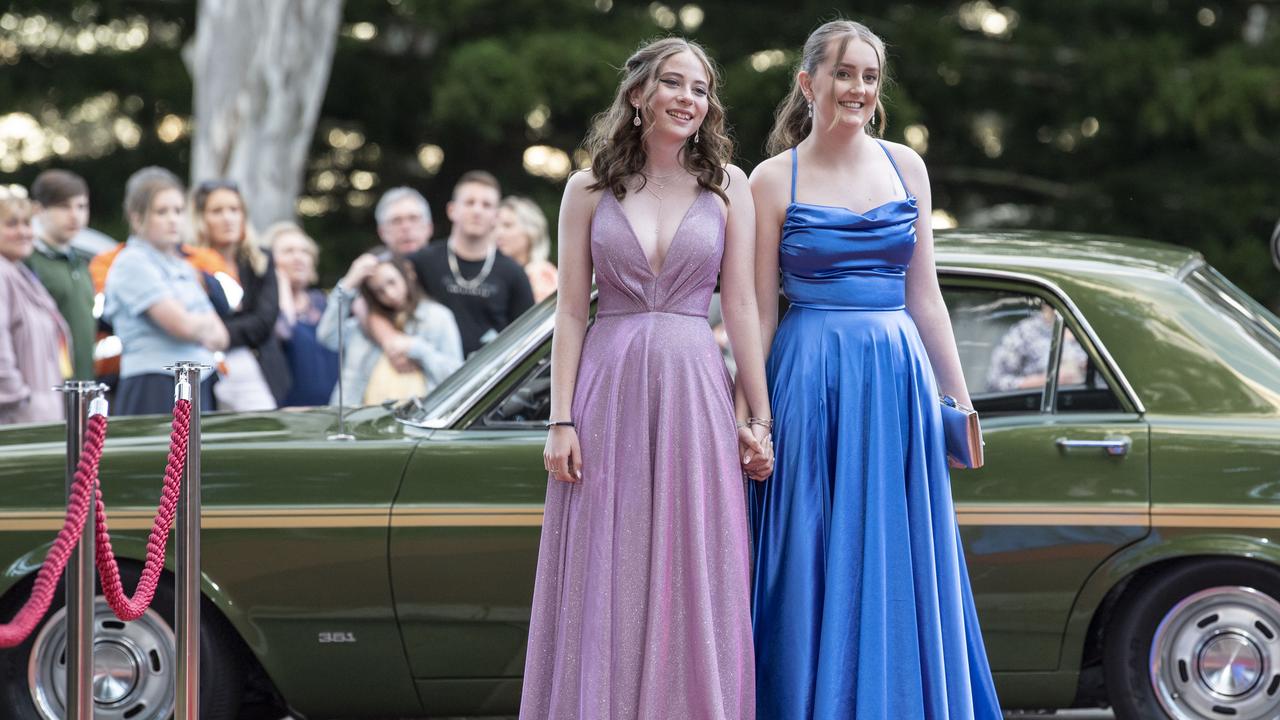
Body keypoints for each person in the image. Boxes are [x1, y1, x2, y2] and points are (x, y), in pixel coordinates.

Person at [745, 20, 1001, 719]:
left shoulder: (905, 166)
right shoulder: (771, 179)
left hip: (897, 381)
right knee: (811, 552)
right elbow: (759, 313)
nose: (857, 87)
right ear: (808, 82)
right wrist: (755, 415)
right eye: (843, 73)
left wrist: (959, 399)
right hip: (809, 378)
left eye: (869, 76)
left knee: (898, 555)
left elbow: (926, 296)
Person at [522, 38, 773, 720]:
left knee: (696, 561)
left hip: (696, 387)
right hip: (607, 390)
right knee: (608, 562)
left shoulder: (729, 186)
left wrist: (757, 416)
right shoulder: (587, 189)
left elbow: (744, 303)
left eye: (700, 88)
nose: (689, 98)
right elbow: (572, 311)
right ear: (638, 94)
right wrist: (561, 418)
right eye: (674, 83)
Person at [103, 168, 227, 415]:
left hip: (199, 381)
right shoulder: (132, 262)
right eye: (161, 212)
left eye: (178, 211)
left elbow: (222, 337)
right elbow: (181, 326)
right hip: (154, 384)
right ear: (137, 218)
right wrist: (202, 324)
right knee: (160, 455)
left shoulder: (184, 265)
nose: (173, 219)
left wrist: (195, 324)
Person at [406, 171, 534, 354]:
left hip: (490, 379)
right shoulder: (422, 261)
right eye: (469, 202)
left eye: (486, 205)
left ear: (496, 216)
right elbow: (377, 299)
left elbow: (526, 339)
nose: (477, 210)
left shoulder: (514, 274)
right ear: (452, 210)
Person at [191, 179, 290, 410]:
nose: (228, 218)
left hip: (258, 370)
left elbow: (265, 319)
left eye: (234, 210)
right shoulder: (188, 263)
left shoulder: (261, 260)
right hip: (206, 371)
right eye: (217, 211)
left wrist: (222, 334)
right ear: (200, 218)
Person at [318, 253, 463, 406]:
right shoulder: (362, 324)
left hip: (418, 422)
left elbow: (455, 377)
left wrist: (417, 348)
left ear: (407, 273)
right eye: (379, 291)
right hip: (357, 420)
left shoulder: (438, 317)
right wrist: (348, 284)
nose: (390, 294)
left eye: (392, 282)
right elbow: (327, 337)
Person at [0, 185, 70, 425]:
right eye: (11, 224)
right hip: (16, 422)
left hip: (36, 416)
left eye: (27, 223)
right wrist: (19, 399)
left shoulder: (19, 271)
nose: (23, 232)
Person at [26, 170, 96, 380]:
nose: (75, 215)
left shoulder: (80, 263)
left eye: (81, 206)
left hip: (83, 385)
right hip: (46, 386)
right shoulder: (28, 261)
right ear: (38, 210)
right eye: (64, 207)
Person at [265, 222, 339, 407]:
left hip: (332, 409)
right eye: (288, 251)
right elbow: (285, 332)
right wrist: (279, 285)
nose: (299, 258)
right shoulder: (264, 307)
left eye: (304, 251)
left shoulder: (321, 301)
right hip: (288, 413)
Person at [495, 196, 558, 302]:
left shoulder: (541, 274)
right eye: (493, 227)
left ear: (532, 232)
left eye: (507, 225)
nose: (498, 233)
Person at [375, 186, 433, 256]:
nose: (406, 227)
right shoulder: (370, 265)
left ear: (429, 227)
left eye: (413, 219)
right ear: (382, 232)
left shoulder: (448, 263)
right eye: (396, 221)